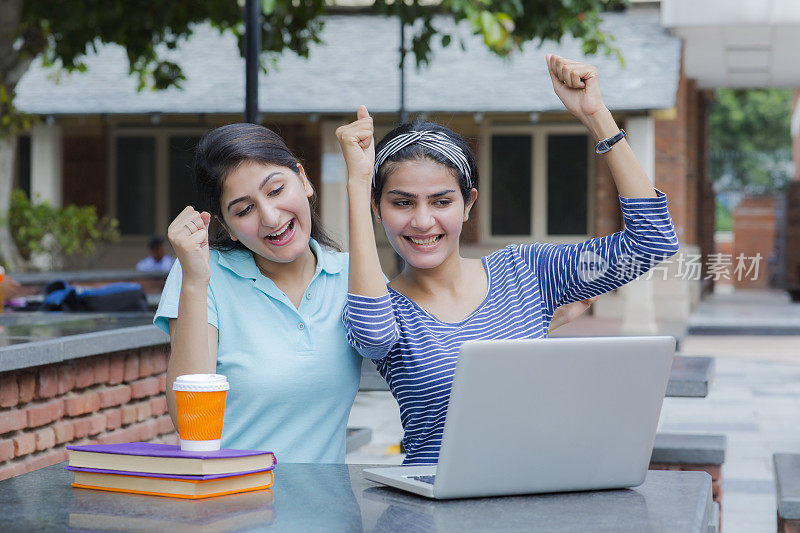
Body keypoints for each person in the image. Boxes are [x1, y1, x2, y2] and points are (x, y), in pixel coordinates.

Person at [154, 123, 593, 463]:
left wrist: (534, 311)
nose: (270, 217)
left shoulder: (355, 281)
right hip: (228, 506)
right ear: (226, 225)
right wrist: (194, 278)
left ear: (303, 180)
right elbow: (187, 422)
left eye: (276, 190)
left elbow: (426, 335)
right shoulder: (202, 276)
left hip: (325, 511)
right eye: (244, 209)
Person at [338, 54, 680, 464]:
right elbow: (373, 338)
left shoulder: (526, 272)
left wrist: (597, 118)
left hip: (530, 496)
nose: (423, 220)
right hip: (428, 508)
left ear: (468, 205)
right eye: (401, 202)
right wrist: (358, 186)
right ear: (378, 209)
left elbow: (652, 242)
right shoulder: (382, 307)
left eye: (442, 201)